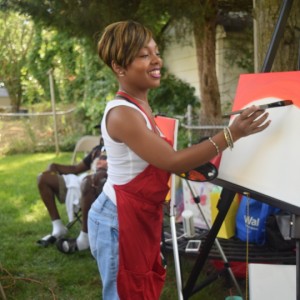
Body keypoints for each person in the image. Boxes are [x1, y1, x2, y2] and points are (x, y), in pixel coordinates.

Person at [87, 20, 271, 300]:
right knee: (125, 292)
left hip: (138, 216)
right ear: (119, 67)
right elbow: (172, 161)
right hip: (117, 220)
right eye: (144, 55)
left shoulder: (141, 106)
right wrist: (232, 134)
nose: (156, 60)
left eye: (156, 52)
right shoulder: (122, 114)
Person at [37, 137, 107, 251]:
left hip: (102, 187)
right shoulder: (97, 150)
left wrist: (105, 168)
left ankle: (85, 237)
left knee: (89, 182)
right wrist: (55, 166)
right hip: (81, 182)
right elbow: (75, 169)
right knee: (43, 178)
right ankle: (58, 227)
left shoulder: (123, 149)